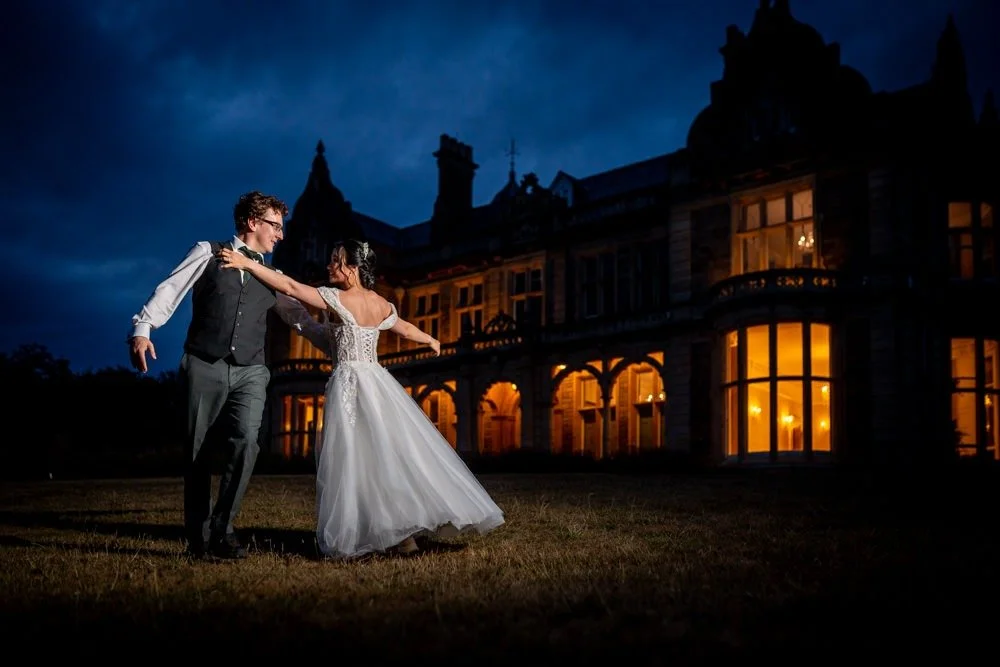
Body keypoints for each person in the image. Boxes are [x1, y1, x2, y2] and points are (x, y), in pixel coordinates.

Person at [216, 239, 505, 559]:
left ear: (352, 269)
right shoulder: (380, 303)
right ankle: (398, 531)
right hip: (379, 382)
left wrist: (250, 264)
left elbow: (290, 286)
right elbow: (404, 327)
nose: (329, 267)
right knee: (387, 454)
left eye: (335, 261)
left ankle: (379, 531)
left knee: (355, 456)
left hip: (350, 384)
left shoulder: (336, 298)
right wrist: (430, 339)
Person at [128, 190, 330, 560]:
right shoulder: (207, 252)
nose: (281, 235)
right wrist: (143, 328)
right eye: (275, 226)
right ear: (253, 223)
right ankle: (199, 539)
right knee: (197, 452)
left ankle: (224, 528)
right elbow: (170, 290)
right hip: (204, 363)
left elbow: (301, 321)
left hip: (253, 369)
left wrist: (340, 349)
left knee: (246, 442)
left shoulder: (273, 275)